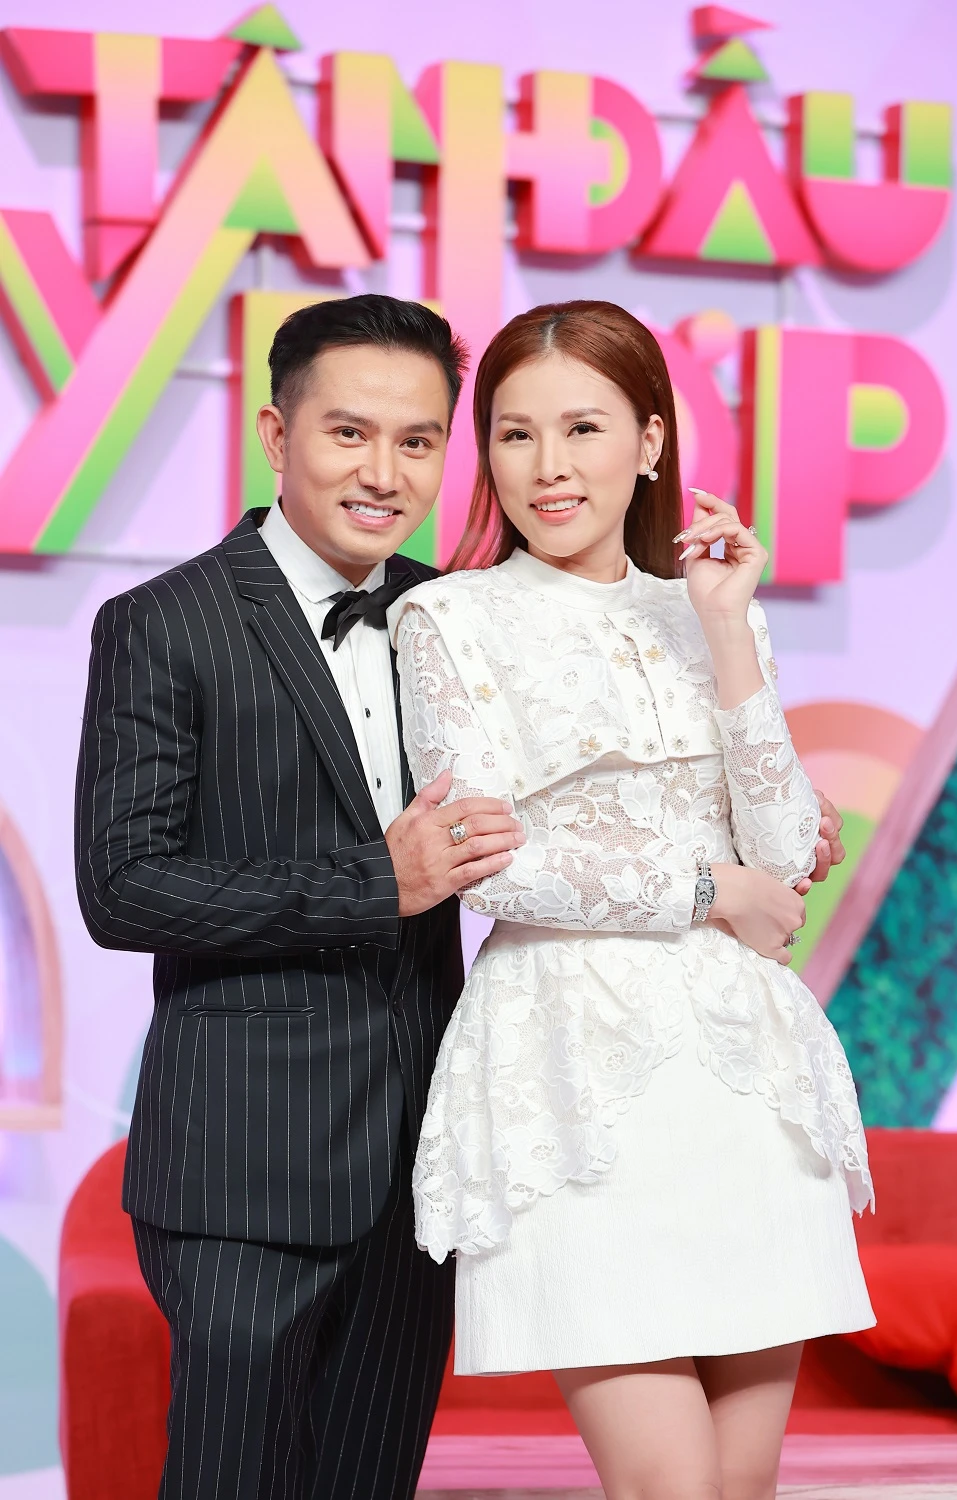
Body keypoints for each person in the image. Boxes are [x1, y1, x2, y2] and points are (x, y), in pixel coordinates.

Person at [388, 299, 874, 1500]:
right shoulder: (447, 618)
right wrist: (710, 888)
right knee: (670, 1487)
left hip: (748, 1078)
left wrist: (726, 631)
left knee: (740, 1488)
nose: (547, 467)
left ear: (650, 441)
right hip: (573, 1071)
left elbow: (785, 846)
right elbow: (491, 861)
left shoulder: (713, 608)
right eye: (515, 435)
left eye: (583, 428)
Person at [73, 295, 528, 1500]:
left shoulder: (455, 618)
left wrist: (740, 842)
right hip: (243, 1161)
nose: (384, 473)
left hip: (421, 1158)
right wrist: (379, 882)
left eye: (418, 441)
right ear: (277, 435)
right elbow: (123, 887)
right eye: (349, 433)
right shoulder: (162, 623)